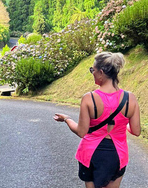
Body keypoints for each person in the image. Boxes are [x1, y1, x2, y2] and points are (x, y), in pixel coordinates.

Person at [54, 52, 141, 188]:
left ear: (100, 72)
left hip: (91, 154)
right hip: (117, 155)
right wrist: (123, 124)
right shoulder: (130, 98)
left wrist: (66, 118)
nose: (92, 73)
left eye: (92, 70)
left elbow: (81, 132)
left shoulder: (89, 98)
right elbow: (136, 130)